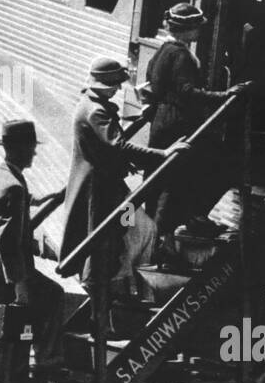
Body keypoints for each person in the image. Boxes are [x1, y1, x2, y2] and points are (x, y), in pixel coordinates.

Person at [59, 56, 177, 304]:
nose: (117, 89)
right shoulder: (96, 111)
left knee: (129, 230)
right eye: (114, 85)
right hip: (101, 192)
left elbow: (108, 147)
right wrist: (163, 154)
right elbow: (119, 145)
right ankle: (108, 289)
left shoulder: (90, 104)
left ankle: (121, 281)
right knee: (121, 234)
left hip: (109, 189)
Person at [0, 119, 65, 383]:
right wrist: (20, 284)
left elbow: (13, 204)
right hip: (6, 275)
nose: (34, 153)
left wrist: (43, 199)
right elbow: (9, 242)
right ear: (19, 148)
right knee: (1, 334)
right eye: (30, 147)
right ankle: (39, 364)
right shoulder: (13, 186)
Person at [143, 3, 249, 249]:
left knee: (166, 178)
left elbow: (154, 85)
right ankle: (182, 224)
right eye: (196, 28)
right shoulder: (181, 55)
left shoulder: (163, 51)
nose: (199, 32)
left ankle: (163, 234)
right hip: (179, 124)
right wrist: (225, 96)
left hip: (163, 121)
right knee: (219, 168)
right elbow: (187, 92)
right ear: (186, 29)